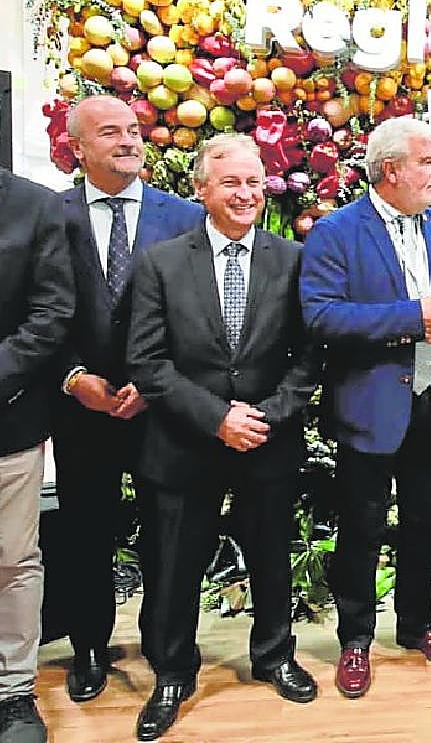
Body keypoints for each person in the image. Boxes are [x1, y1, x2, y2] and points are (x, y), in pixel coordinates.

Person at [126, 134, 321, 740]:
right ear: (202, 189)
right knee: (175, 566)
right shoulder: (160, 262)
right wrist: (217, 418)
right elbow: (147, 361)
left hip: (267, 438)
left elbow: (309, 356)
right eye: (231, 183)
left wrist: (265, 415)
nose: (245, 194)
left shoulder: (294, 260)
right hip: (185, 441)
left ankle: (274, 656)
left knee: (271, 556)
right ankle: (172, 673)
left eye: (254, 183)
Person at [300, 117, 431, 698]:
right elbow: (321, 315)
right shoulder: (336, 231)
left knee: (423, 522)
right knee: (362, 527)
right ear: (391, 169)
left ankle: (418, 624)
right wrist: (412, 318)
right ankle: (355, 639)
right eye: (426, 161)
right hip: (369, 406)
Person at [51, 96, 203, 704]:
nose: (128, 141)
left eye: (134, 130)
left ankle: (166, 649)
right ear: (78, 148)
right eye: (110, 132)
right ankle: (88, 646)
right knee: (84, 530)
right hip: (80, 405)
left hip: (160, 407)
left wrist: (158, 381)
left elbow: (198, 312)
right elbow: (34, 306)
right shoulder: (51, 215)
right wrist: (72, 377)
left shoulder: (185, 216)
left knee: (167, 533)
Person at [0, 168, 74, 743]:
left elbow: (51, 313)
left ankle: (13, 692)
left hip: (8, 417)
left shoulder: (34, 205)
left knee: (12, 560)